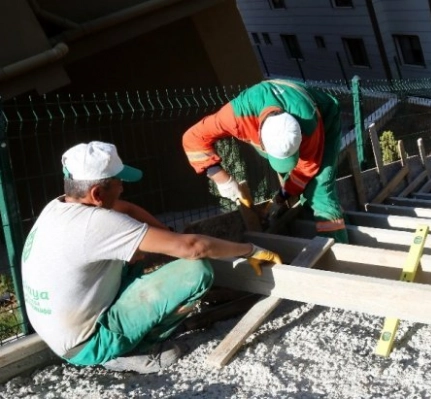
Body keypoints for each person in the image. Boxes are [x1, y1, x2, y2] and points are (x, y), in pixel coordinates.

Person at [21, 141, 282, 373]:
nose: (122, 188)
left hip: (57, 329)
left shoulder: (59, 207)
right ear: (97, 194)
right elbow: (193, 248)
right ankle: (131, 350)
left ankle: (123, 337)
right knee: (197, 272)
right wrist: (249, 250)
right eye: (117, 183)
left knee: (141, 251)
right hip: (85, 343)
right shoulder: (96, 224)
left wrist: (165, 233)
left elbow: (127, 208)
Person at [182, 79, 349, 243]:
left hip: (325, 119)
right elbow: (193, 138)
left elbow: (307, 169)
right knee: (301, 188)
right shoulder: (236, 115)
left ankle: (339, 254)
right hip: (268, 108)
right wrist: (221, 178)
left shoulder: (308, 123)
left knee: (319, 191)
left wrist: (284, 194)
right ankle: (315, 222)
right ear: (260, 136)